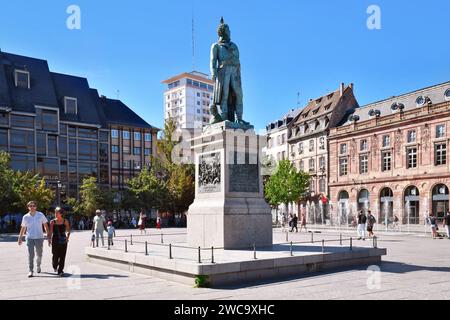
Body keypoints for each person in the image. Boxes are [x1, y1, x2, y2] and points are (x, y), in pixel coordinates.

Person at [18, 201, 50, 278]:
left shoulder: (40, 215)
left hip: (39, 237)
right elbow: (23, 227)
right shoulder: (25, 217)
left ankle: (38, 265)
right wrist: (20, 238)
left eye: (33, 206)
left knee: (39, 254)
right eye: (30, 206)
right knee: (31, 255)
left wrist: (48, 236)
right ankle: (30, 270)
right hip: (30, 238)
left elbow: (45, 225)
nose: (32, 207)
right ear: (28, 207)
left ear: (36, 207)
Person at [48, 207, 70, 277]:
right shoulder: (52, 222)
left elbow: (68, 231)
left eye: (57, 212)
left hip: (63, 240)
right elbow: (51, 232)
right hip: (55, 239)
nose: (55, 214)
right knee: (55, 255)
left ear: (61, 214)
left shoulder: (65, 221)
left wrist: (67, 237)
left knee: (62, 256)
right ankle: (55, 265)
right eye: (55, 212)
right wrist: (49, 239)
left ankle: (60, 270)